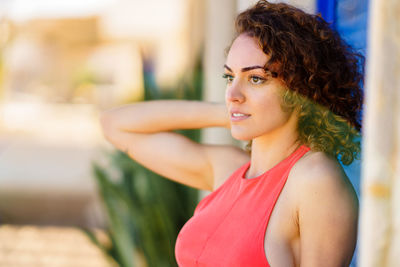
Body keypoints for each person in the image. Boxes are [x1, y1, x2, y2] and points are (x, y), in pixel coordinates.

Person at [100, 1, 363, 266]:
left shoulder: (315, 179)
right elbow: (115, 124)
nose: (233, 94)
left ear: (301, 89)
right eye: (230, 77)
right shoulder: (229, 170)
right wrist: (229, 114)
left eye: (256, 79)